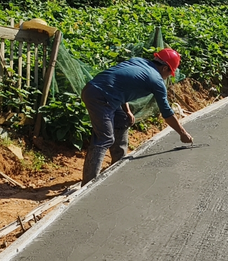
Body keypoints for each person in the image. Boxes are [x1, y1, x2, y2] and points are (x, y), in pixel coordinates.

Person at [81, 48, 193, 185]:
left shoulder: (139, 61)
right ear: (164, 68)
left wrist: (127, 111)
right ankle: (88, 185)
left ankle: (118, 166)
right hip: (100, 97)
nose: (169, 76)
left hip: (97, 90)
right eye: (170, 72)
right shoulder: (156, 81)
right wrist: (182, 133)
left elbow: (121, 84)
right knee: (104, 138)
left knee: (123, 119)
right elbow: (167, 113)